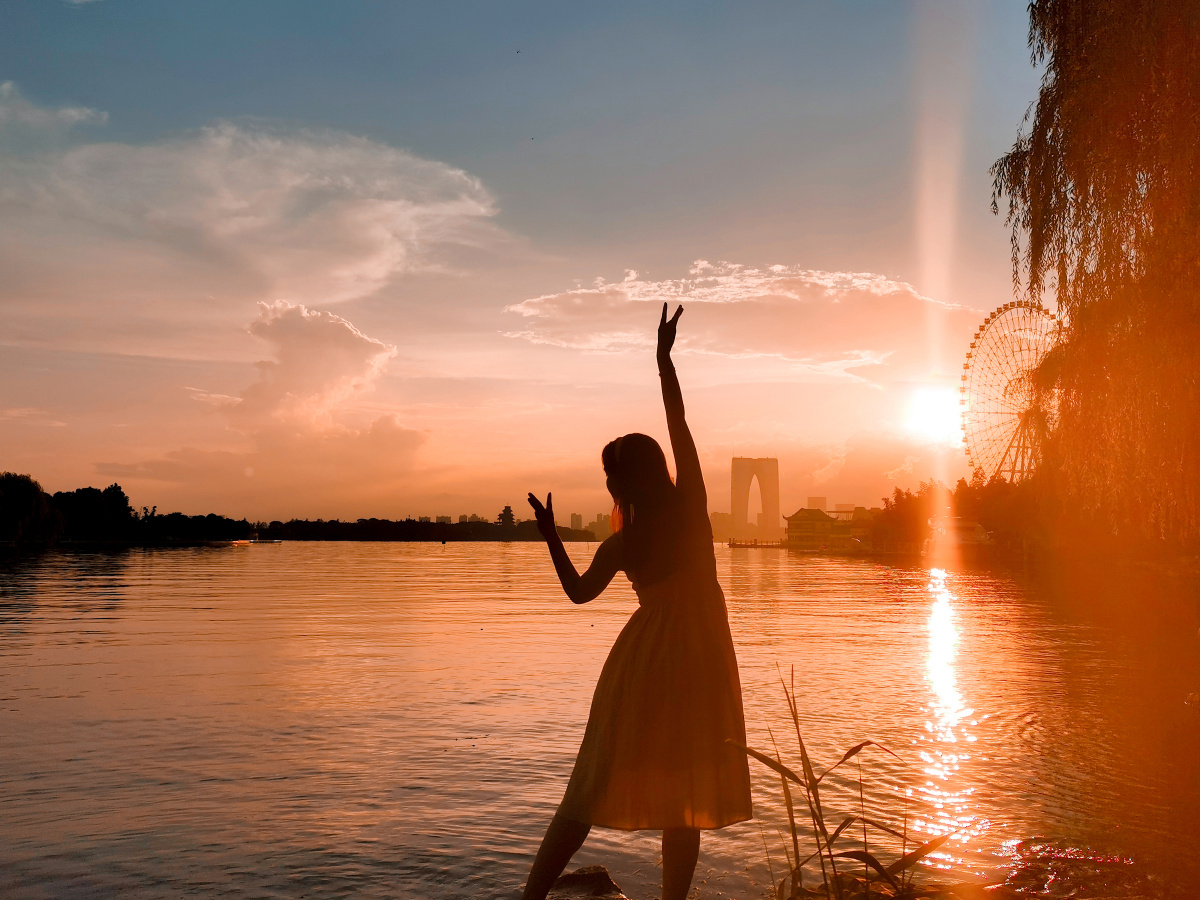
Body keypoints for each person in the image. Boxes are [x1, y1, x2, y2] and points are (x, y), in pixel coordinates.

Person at [522, 304, 753, 900]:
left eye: (609, 476)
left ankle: (530, 898)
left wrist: (551, 537)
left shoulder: (624, 543)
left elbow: (578, 593)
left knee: (589, 784)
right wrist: (663, 362)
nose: (607, 486)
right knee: (686, 789)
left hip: (641, 664)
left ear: (623, 484)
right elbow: (681, 427)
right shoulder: (691, 513)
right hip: (697, 663)